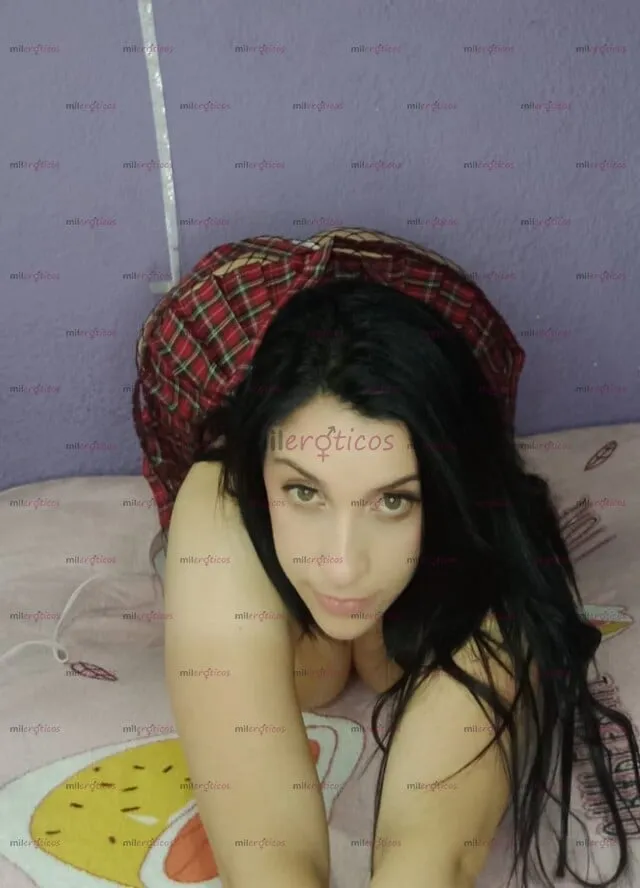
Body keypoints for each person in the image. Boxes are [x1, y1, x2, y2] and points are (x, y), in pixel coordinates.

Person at [133, 228, 640, 888]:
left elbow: (432, 859)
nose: (343, 566)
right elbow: (264, 857)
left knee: (391, 656)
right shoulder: (222, 497)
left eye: (394, 501)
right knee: (311, 668)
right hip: (229, 474)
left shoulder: (474, 527)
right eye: (305, 492)